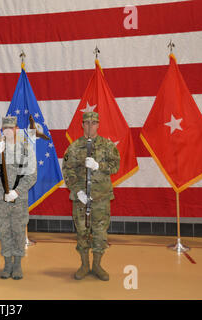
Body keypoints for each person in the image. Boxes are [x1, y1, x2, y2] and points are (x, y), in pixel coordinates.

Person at [62, 112, 120, 281]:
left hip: (101, 198)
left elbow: (115, 165)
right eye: (86, 122)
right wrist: (77, 191)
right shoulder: (74, 147)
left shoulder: (108, 145)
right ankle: (84, 264)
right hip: (81, 200)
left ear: (98, 125)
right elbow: (67, 171)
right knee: (82, 233)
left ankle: (97, 265)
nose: (90, 126)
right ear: (82, 125)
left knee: (100, 234)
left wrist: (98, 165)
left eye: (93, 123)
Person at [0, 116, 37, 280]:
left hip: (18, 200)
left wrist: (17, 191)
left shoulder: (26, 149)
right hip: (1, 198)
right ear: (3, 129)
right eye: (5, 128)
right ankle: (7, 262)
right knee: (3, 231)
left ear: (17, 129)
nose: (9, 130)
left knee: (17, 231)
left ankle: (17, 264)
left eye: (12, 127)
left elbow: (32, 176)